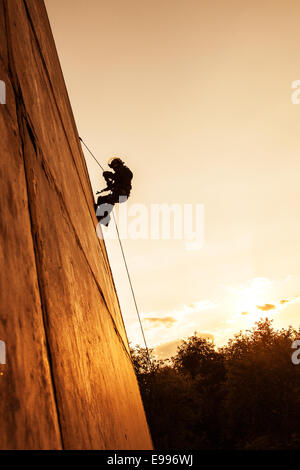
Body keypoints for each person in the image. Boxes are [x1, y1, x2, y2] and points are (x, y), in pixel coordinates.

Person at [95, 157, 133, 226]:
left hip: (122, 194)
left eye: (114, 166)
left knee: (110, 200)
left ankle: (104, 217)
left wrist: (107, 175)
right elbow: (114, 184)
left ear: (118, 164)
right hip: (122, 195)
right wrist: (108, 183)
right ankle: (105, 218)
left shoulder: (124, 170)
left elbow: (115, 177)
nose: (114, 169)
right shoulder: (120, 175)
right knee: (101, 200)